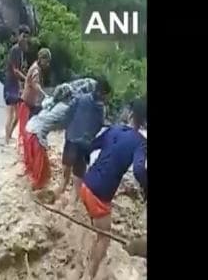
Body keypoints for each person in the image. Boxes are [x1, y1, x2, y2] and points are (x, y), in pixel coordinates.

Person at [69, 98, 147, 280]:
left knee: (95, 229)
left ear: (130, 114)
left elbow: (90, 145)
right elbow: (138, 170)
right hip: (99, 195)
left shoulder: (115, 129)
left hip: (87, 185)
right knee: (105, 238)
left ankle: (81, 263)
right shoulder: (141, 143)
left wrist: (88, 163)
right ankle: (90, 275)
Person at [55, 76, 111, 201]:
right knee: (77, 180)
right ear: (102, 93)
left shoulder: (81, 98)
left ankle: (61, 191)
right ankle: (72, 202)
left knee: (66, 174)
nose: (106, 98)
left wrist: (66, 128)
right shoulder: (101, 109)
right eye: (106, 95)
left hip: (71, 139)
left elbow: (68, 113)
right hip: (83, 145)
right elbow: (99, 125)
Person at [18, 48, 51, 151]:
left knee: (28, 129)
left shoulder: (36, 68)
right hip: (26, 104)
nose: (48, 64)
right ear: (42, 59)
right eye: (47, 61)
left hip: (30, 103)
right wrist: (45, 95)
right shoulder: (36, 70)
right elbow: (35, 84)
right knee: (27, 130)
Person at [3, 25, 30, 144]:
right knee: (10, 113)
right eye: (23, 36)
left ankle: (8, 136)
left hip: (15, 85)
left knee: (18, 116)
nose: (25, 39)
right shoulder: (15, 50)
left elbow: (20, 69)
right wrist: (26, 79)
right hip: (10, 84)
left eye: (26, 37)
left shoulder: (21, 51)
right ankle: (6, 139)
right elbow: (15, 70)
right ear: (19, 36)